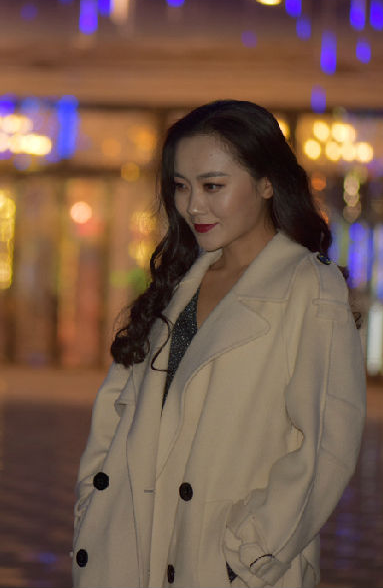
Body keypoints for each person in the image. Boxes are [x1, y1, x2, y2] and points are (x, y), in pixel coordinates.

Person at [72, 100, 366, 588]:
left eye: (212, 186)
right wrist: (93, 508)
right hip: (133, 550)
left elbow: (327, 445)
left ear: (267, 182)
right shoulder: (180, 281)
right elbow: (116, 414)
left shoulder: (308, 286)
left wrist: (250, 551)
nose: (192, 206)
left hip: (224, 563)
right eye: (181, 187)